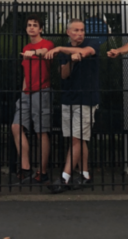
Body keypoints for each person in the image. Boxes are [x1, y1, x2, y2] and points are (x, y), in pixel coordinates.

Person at [44, 19, 100, 193]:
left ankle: (65, 177)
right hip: (69, 98)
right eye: (76, 30)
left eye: (82, 30)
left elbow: (86, 52)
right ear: (68, 32)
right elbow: (63, 75)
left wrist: (61, 49)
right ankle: (85, 174)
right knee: (76, 138)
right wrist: (71, 60)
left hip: (86, 98)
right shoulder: (65, 52)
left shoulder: (92, 43)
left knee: (77, 138)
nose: (80, 33)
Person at [12, 14, 55, 185]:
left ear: (41, 29)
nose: (31, 27)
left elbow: (46, 52)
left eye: (35, 25)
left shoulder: (46, 44)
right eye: (29, 25)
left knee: (41, 131)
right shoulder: (26, 47)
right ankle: (25, 166)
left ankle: (42, 171)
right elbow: (25, 71)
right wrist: (23, 90)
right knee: (16, 127)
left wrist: (34, 52)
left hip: (42, 91)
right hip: (27, 91)